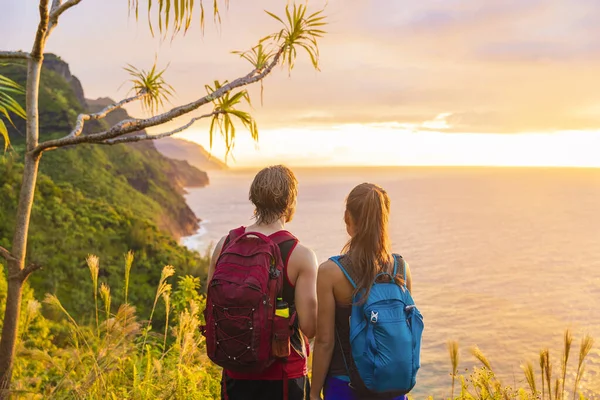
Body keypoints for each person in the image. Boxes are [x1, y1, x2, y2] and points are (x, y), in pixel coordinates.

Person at [207, 165, 319, 400]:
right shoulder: (300, 255)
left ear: (254, 199)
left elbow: (211, 305)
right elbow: (310, 327)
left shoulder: (225, 244)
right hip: (284, 376)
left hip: (235, 372)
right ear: (290, 202)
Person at [310, 183, 414, 400]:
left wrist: (313, 392)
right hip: (390, 387)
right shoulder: (401, 268)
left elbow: (324, 341)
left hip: (344, 385)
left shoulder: (331, 273)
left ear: (348, 218)